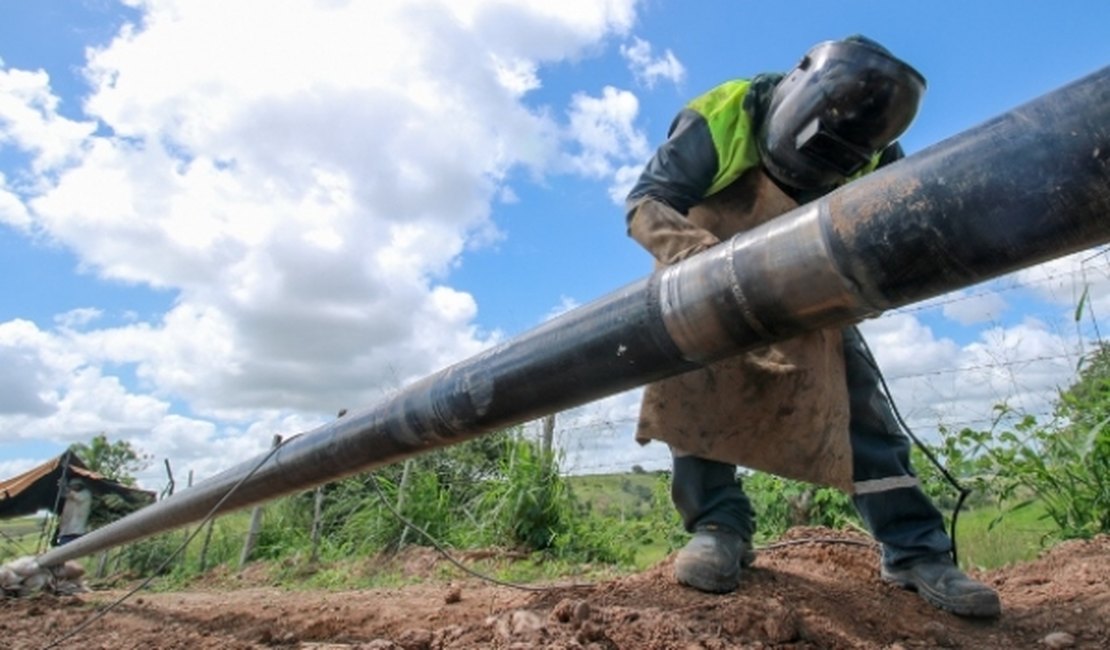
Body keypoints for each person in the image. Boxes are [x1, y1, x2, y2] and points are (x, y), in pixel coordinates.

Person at [625, 35, 1001, 618]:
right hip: (704, 263)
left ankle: (916, 551)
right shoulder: (722, 115)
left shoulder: (879, 155)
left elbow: (891, 241)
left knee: (858, 405)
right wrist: (710, 269)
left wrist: (869, 289)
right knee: (695, 389)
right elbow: (647, 203)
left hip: (806, 273)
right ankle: (719, 529)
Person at [55, 478, 93, 546]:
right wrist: (61, 487)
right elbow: (63, 494)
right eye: (72, 486)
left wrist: (65, 486)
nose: (73, 488)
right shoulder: (70, 496)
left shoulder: (85, 494)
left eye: (75, 486)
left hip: (76, 532)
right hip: (65, 532)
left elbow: (77, 497)